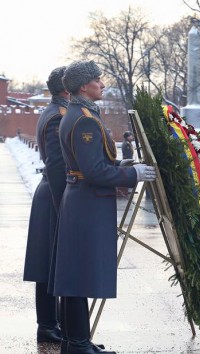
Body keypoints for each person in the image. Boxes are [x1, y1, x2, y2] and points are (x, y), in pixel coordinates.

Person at [53, 60, 157, 354]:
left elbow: (96, 162)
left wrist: (124, 164)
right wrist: (132, 174)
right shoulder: (84, 119)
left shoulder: (82, 114)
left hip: (83, 201)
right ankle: (76, 343)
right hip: (87, 203)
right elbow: (95, 171)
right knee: (79, 275)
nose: (102, 83)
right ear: (84, 86)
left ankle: (77, 340)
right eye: (97, 80)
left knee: (78, 273)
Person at [22, 66, 69, 345]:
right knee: (49, 264)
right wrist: (64, 205)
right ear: (66, 88)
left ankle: (53, 323)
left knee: (50, 263)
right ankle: (48, 325)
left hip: (50, 191)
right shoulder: (57, 116)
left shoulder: (53, 111)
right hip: (54, 193)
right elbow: (56, 164)